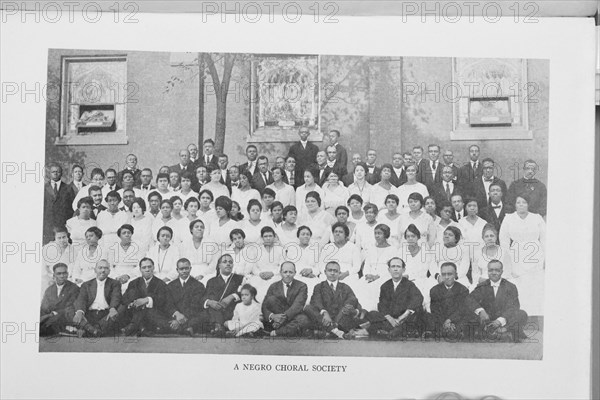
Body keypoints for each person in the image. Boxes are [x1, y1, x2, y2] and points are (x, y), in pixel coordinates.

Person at [499, 193, 546, 315]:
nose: (521, 205)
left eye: (524, 202)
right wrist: (507, 259)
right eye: (518, 202)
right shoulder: (508, 218)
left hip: (535, 255)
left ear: (528, 204)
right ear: (515, 204)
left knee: (535, 283)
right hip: (516, 255)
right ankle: (521, 314)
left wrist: (546, 258)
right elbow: (503, 240)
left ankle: (536, 314)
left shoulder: (537, 218)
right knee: (520, 284)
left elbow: (545, 239)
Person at [466, 260, 529, 342]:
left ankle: (502, 330)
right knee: (468, 310)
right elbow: (469, 299)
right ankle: (493, 331)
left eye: (497, 270)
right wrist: (481, 311)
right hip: (487, 318)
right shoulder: (482, 286)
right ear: (487, 271)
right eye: (491, 270)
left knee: (522, 314)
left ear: (502, 272)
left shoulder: (510, 287)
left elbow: (514, 307)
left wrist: (500, 321)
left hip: (504, 319)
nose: (494, 273)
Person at [365, 257, 425, 339]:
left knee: (418, 315)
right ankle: (395, 330)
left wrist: (401, 318)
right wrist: (390, 319)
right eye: (393, 267)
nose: (396, 269)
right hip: (391, 319)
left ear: (403, 270)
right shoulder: (385, 286)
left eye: (398, 267)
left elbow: (418, 299)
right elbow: (382, 305)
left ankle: (391, 330)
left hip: (404, 318)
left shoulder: (410, 285)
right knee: (371, 314)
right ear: (389, 270)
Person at [304, 261, 366, 339]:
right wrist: (324, 312)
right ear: (325, 272)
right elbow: (316, 301)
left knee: (348, 307)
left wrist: (354, 310)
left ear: (339, 273)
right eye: (330, 270)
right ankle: (335, 331)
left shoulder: (345, 287)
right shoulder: (319, 287)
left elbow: (354, 301)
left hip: (340, 318)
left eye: (335, 271)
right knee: (308, 308)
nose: (332, 273)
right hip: (324, 318)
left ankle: (330, 329)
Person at [119, 257, 173, 336]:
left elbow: (162, 301)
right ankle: (141, 328)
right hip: (135, 312)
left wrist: (147, 300)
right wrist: (131, 303)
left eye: (149, 267)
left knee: (146, 309)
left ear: (153, 268)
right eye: (144, 267)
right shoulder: (134, 283)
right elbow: (125, 299)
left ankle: (134, 326)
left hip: (152, 315)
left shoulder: (161, 284)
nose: (147, 270)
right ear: (140, 269)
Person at [72, 259, 121, 337]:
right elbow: (81, 299)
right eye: (100, 268)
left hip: (106, 315)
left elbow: (116, 297)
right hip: (90, 314)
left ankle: (88, 329)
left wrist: (112, 308)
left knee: (121, 308)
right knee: (72, 309)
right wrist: (80, 311)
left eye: (106, 268)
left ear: (109, 271)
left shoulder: (115, 283)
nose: (103, 270)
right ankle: (94, 330)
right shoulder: (86, 284)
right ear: (95, 270)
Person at [262, 261, 310, 337]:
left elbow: (298, 305)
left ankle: (276, 332)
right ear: (280, 273)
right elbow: (264, 305)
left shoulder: (302, 286)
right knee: (271, 299)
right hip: (277, 316)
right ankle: (287, 330)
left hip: (293, 315)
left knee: (304, 320)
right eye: (285, 272)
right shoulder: (273, 286)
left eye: (290, 272)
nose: (288, 274)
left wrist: (283, 318)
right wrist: (273, 316)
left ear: (295, 273)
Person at [356, 224, 397, 311]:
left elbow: (392, 267)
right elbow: (367, 265)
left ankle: (371, 312)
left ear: (385, 235)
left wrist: (377, 276)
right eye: (375, 233)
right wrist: (367, 274)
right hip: (369, 276)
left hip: (384, 277)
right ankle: (360, 312)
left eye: (379, 233)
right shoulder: (371, 248)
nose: (377, 236)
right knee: (359, 286)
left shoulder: (393, 249)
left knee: (374, 289)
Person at [202, 254, 245, 335]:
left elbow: (246, 293)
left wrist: (232, 296)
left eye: (230, 262)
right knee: (210, 308)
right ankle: (218, 327)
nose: (228, 264)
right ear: (219, 265)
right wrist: (210, 302)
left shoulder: (240, 278)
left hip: (232, 310)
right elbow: (205, 297)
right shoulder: (211, 281)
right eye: (225, 262)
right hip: (215, 311)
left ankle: (217, 327)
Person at [427, 262, 470, 339]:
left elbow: (462, 310)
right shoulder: (434, 290)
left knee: (468, 318)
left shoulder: (463, 290)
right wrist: (444, 322)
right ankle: (446, 331)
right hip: (441, 320)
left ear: (456, 275)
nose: (446, 277)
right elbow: (435, 310)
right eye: (443, 274)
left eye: (450, 274)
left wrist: (450, 320)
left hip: (455, 320)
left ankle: (451, 331)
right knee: (428, 317)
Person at [166, 258, 209, 336]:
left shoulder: (198, 285)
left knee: (204, 314)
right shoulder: (170, 285)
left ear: (190, 268)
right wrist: (177, 314)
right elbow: (169, 304)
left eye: (186, 268)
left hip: (191, 316)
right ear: (177, 270)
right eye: (181, 269)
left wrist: (180, 319)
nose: (184, 271)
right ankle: (186, 328)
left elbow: (195, 305)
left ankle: (180, 327)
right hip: (175, 316)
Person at [400, 224, 436, 311]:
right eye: (408, 236)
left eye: (413, 236)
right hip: (404, 281)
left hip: (421, 281)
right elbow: (398, 267)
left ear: (418, 237)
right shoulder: (401, 251)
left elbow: (432, 268)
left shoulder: (425, 251)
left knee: (425, 297)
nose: (410, 238)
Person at [40, 263, 80, 336]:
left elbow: (70, 307)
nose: (62, 276)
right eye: (59, 274)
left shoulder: (74, 288)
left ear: (67, 274)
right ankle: (63, 330)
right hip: (51, 317)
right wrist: (50, 315)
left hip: (65, 317)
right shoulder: (49, 290)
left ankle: (64, 329)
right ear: (54, 276)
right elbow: (44, 308)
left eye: (64, 273)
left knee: (45, 328)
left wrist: (54, 313)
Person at [248, 227, 286, 302]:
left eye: (270, 236)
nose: (268, 238)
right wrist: (260, 274)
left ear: (274, 237)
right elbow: (253, 266)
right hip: (259, 276)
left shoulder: (280, 249)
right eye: (265, 236)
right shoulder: (256, 250)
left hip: (275, 275)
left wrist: (272, 273)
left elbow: (283, 265)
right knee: (255, 287)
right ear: (262, 238)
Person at [472, 224, 513, 289]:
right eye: (486, 236)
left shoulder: (504, 252)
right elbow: (475, 274)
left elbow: (507, 272)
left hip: (501, 283)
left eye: (492, 236)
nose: (489, 238)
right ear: (483, 238)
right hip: (484, 284)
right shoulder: (477, 253)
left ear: (496, 237)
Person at [179, 219, 218, 286]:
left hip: (207, 272)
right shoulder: (184, 244)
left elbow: (214, 263)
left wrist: (203, 274)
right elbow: (181, 261)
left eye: (202, 227)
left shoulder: (211, 243)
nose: (199, 229)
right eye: (196, 227)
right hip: (188, 271)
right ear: (191, 230)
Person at [106, 223, 144, 293]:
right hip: (116, 275)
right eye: (124, 233)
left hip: (133, 275)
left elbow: (141, 265)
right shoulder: (113, 248)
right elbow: (109, 266)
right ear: (119, 236)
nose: (127, 234)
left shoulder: (139, 247)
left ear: (132, 234)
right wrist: (116, 277)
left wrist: (128, 276)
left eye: (129, 233)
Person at [44, 163, 74, 244]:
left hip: (63, 224)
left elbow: (72, 208)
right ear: (49, 173)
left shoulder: (68, 188)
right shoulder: (44, 188)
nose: (55, 173)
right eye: (53, 171)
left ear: (61, 173)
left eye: (58, 171)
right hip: (48, 225)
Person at [41, 227, 77, 296]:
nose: (62, 240)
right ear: (55, 238)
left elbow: (73, 269)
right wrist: (51, 278)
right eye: (59, 238)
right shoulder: (47, 248)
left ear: (68, 237)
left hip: (66, 280)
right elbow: (42, 268)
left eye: (64, 237)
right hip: (49, 279)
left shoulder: (74, 251)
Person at [458, 197, 488, 262]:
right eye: (469, 206)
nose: (472, 208)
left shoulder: (483, 223)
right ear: (465, 208)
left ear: (477, 208)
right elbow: (460, 241)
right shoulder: (460, 223)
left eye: (474, 206)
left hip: (481, 256)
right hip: (465, 256)